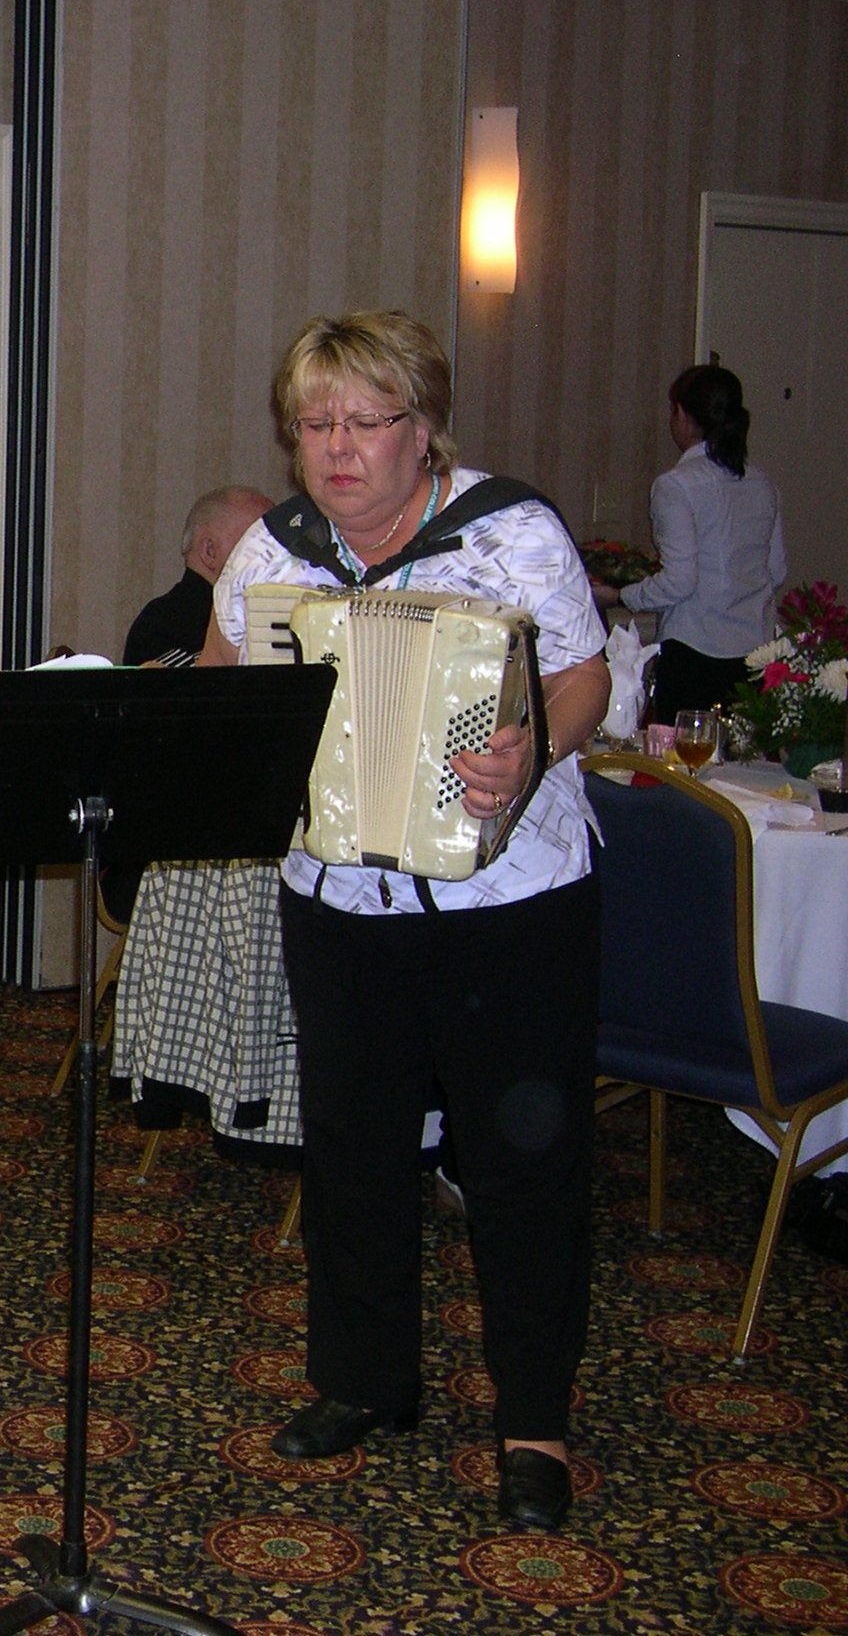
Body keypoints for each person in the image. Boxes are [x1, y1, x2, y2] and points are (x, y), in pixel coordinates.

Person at [202, 311, 611, 1532]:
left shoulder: (509, 533)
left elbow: (582, 675)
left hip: (509, 900)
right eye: (313, 424)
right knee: (353, 1151)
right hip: (338, 899)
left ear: (423, 430)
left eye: (363, 422)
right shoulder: (272, 551)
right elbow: (222, 678)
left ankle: (533, 1420)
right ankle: (364, 1380)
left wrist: (533, 747)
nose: (335, 448)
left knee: (520, 1163)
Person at [592, 364, 786, 724]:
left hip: (696, 649)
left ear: (681, 414)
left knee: (680, 757)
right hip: (754, 649)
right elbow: (776, 570)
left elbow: (680, 581)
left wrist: (621, 595)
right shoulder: (761, 483)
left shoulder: (677, 485)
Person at [122, 484, 271, 665]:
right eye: (258, 543)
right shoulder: (165, 624)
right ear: (209, 551)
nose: (276, 556)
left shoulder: (158, 619)